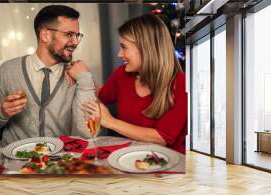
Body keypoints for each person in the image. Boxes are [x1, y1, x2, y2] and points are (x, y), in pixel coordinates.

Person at [68, 14, 187, 153]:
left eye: (124, 47)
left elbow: (163, 138)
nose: (120, 54)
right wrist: (84, 74)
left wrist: (111, 122)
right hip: (128, 157)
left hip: (167, 162)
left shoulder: (180, 83)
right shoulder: (122, 74)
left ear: (146, 49)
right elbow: (102, 95)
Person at [0, 5, 96, 146]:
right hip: (14, 161)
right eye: (69, 34)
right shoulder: (8, 70)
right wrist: (2, 111)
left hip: (57, 161)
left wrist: (85, 79)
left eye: (77, 35)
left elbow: (88, 132)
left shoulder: (76, 74)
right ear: (45, 35)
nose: (76, 42)